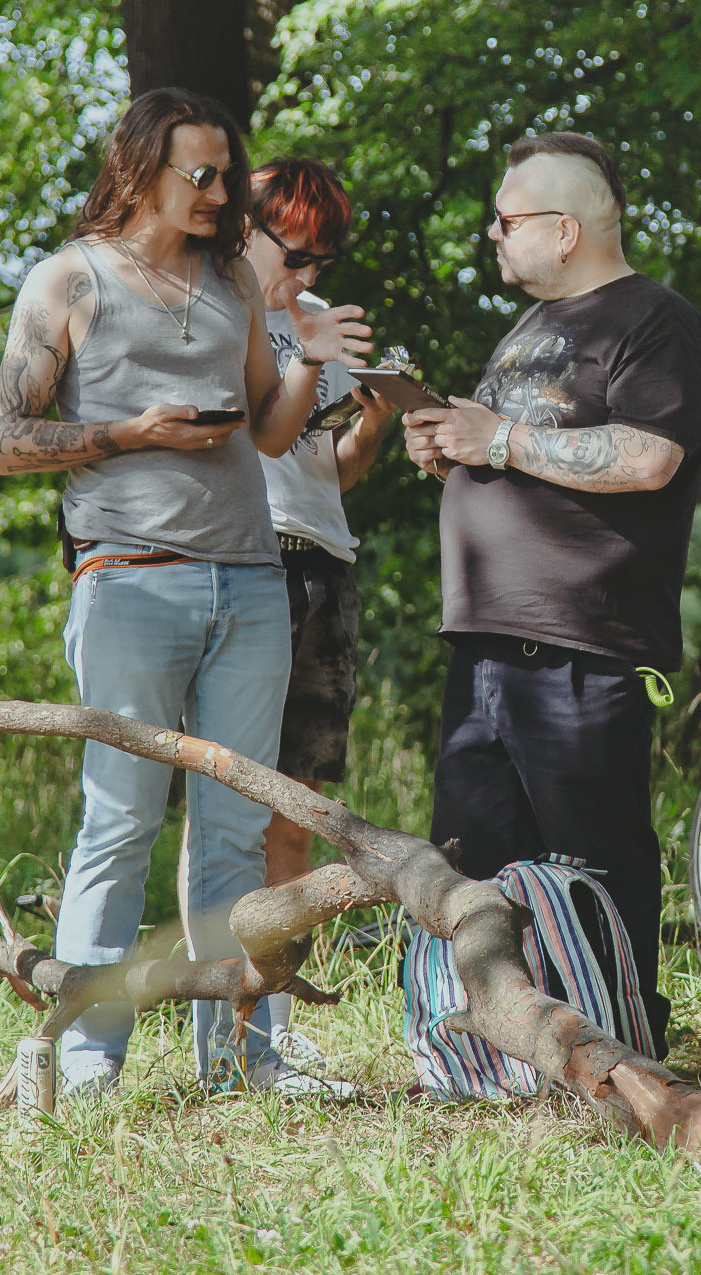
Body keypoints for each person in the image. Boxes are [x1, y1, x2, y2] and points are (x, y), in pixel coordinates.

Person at [0, 87, 370, 1097]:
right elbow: (7, 442)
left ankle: (238, 1058)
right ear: (138, 168)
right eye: (200, 174)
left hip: (250, 582)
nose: (217, 193)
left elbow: (272, 431)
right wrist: (132, 432)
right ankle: (86, 1063)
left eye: (225, 176)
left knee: (236, 830)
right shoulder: (69, 279)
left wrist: (310, 361)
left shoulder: (233, 276)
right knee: (119, 822)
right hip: (128, 583)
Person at [403, 132, 701, 1052]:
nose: (493, 234)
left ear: (565, 229)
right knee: (473, 867)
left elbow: (648, 457)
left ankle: (621, 1046)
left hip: (580, 643)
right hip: (483, 642)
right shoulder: (529, 329)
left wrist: (497, 440)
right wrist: (451, 451)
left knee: (595, 862)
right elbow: (518, 457)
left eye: (506, 220)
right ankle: (489, 1048)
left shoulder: (653, 321)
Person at [234, 153, 400, 1092]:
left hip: (324, 563)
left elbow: (325, 469)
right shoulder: (215, 309)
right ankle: (229, 1032)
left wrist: (374, 417)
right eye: (293, 254)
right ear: (246, 227)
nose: (304, 277)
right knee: (233, 809)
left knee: (297, 810)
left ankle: (276, 1034)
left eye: (319, 261)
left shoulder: (316, 318)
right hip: (248, 559)